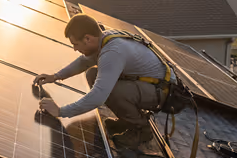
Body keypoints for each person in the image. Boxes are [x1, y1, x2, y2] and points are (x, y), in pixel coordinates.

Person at [33, 13, 166, 148]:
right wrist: (55, 76)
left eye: (76, 44)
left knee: (110, 90)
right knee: (93, 73)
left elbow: (98, 97)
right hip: (148, 84)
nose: (75, 49)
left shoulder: (112, 52)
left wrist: (61, 111)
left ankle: (140, 129)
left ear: (87, 38)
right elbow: (84, 62)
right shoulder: (103, 38)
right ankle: (127, 120)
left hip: (161, 92)